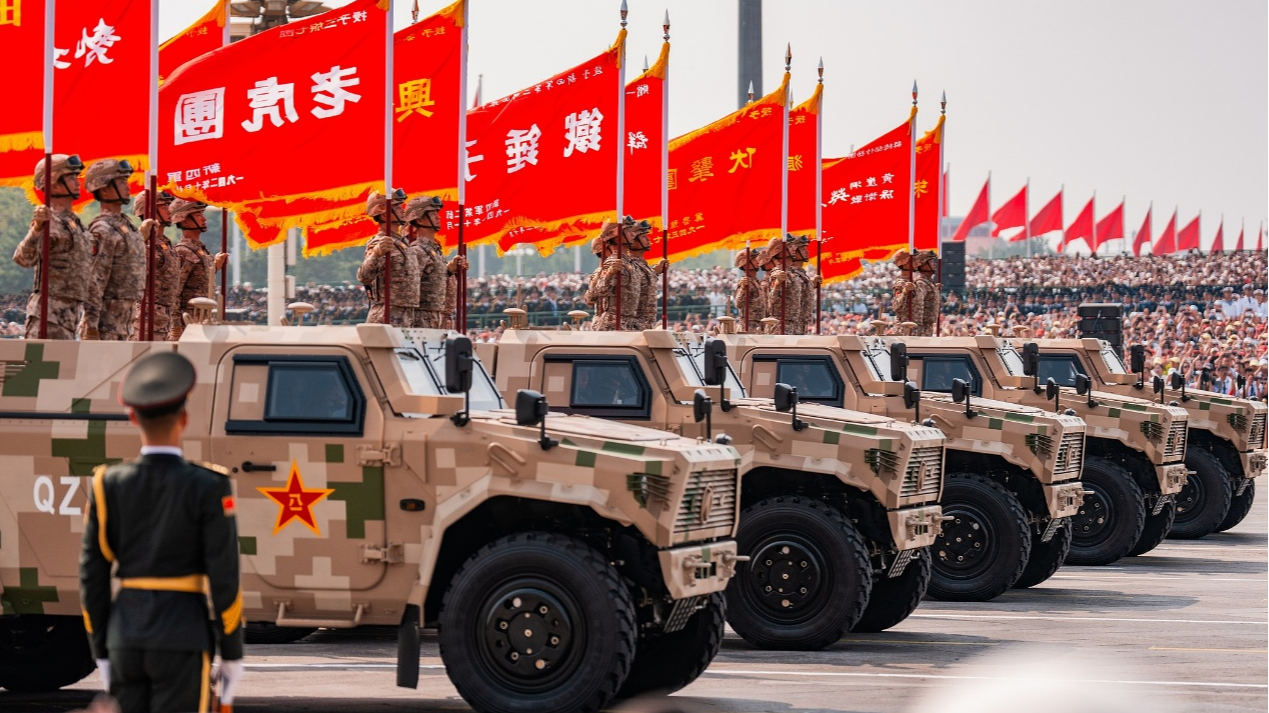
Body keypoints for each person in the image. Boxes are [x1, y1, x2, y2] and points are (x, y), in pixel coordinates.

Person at [80, 352, 244, 713]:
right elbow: (224, 576)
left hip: (125, 637)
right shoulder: (209, 485)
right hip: (182, 636)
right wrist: (232, 653)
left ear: (132, 416)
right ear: (184, 419)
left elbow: (92, 577)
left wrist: (102, 653)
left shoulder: (108, 483)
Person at [12, 154, 95, 340]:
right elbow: (23, 258)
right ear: (54, 185)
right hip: (48, 313)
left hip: (70, 312)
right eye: (71, 178)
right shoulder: (49, 220)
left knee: (64, 367)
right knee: (44, 368)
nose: (77, 183)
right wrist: (37, 229)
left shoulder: (75, 223)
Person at [82, 160, 148, 341]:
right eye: (121, 182)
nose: (128, 187)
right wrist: (91, 327)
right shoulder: (102, 229)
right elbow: (93, 281)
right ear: (104, 190)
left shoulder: (126, 226)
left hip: (123, 321)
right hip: (105, 323)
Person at [358, 189, 419, 327]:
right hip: (386, 315)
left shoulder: (402, 243)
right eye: (397, 207)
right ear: (384, 215)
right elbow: (364, 276)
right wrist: (376, 254)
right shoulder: (379, 242)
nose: (402, 211)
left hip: (405, 315)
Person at [169, 199, 227, 340]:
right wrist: (176, 326)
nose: (204, 218)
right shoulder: (183, 251)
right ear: (185, 221)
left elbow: (199, 279)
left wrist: (216, 266)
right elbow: (175, 291)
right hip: (187, 322)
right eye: (197, 214)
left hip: (202, 320)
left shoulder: (199, 250)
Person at [130, 190, 180, 340]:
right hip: (146, 318)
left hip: (163, 318)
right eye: (164, 207)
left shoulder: (165, 243)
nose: (169, 211)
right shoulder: (145, 243)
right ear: (150, 210)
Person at [585, 221, 640, 331]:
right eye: (628, 231)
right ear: (616, 236)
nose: (633, 234)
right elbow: (595, 294)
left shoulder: (629, 263)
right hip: (613, 325)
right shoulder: (612, 263)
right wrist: (609, 274)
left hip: (629, 324)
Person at [624, 217, 664, 330]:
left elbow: (644, 284)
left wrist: (656, 272)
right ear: (633, 242)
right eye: (643, 237)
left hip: (645, 323)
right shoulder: (630, 265)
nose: (648, 239)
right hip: (635, 324)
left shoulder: (641, 265)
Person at [734, 247, 767, 332]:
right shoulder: (746, 282)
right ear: (745, 263)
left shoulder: (755, 281)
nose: (757, 261)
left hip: (759, 324)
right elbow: (739, 303)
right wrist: (743, 288)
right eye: (754, 259)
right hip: (749, 325)